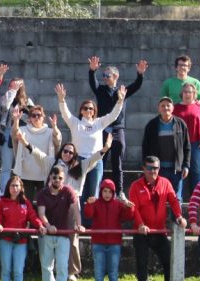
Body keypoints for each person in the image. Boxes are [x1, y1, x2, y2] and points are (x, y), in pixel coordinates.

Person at [51, 136, 111, 281]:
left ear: (74, 155)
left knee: (73, 239)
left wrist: (105, 148)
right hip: (55, 203)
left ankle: (72, 271)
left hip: (73, 204)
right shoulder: (54, 165)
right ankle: (56, 270)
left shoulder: (81, 166)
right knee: (55, 238)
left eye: (71, 152)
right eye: (65, 151)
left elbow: (94, 159)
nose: (67, 154)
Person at [128, 155, 187, 281]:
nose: (152, 171)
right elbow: (134, 209)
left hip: (159, 231)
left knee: (169, 261)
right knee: (142, 263)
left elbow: (173, 200)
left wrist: (179, 216)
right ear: (143, 168)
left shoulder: (165, 183)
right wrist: (141, 225)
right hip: (141, 232)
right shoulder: (135, 186)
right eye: (149, 168)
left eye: (155, 168)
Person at [56, 82, 126, 205]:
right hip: (78, 162)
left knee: (94, 195)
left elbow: (113, 116)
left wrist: (120, 101)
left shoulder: (99, 122)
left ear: (94, 111)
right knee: (78, 193)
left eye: (91, 108)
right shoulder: (75, 123)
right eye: (85, 108)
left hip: (95, 161)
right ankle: (79, 222)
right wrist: (61, 99)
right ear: (81, 111)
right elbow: (65, 113)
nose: (88, 110)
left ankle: (91, 223)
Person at [88, 55, 147, 192]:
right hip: (103, 129)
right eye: (103, 75)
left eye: (107, 75)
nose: (105, 77)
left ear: (116, 76)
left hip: (117, 129)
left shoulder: (122, 91)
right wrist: (92, 71)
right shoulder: (101, 90)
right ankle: (97, 190)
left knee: (117, 162)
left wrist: (140, 74)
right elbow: (93, 83)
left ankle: (119, 191)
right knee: (100, 160)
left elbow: (136, 86)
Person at [84, 179, 141, 281]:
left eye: (110, 192)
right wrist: (89, 204)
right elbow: (88, 215)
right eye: (104, 191)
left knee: (113, 272)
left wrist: (130, 208)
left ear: (113, 193)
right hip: (98, 243)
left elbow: (127, 217)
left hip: (114, 243)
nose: (107, 194)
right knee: (99, 271)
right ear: (101, 191)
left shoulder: (118, 204)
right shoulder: (96, 203)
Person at [35, 165, 83, 281]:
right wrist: (48, 225)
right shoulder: (43, 193)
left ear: (64, 179)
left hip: (63, 235)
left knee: (62, 267)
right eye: (55, 177)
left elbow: (75, 210)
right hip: (47, 234)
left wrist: (79, 225)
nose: (57, 180)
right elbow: (41, 213)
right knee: (46, 265)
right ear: (50, 177)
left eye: (60, 178)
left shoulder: (68, 191)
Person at [0, 174, 42, 281]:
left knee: (18, 270)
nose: (15, 188)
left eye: (17, 185)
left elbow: (33, 217)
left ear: (21, 188)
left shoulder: (26, 203)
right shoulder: (1, 202)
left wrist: (40, 225)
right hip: (5, 240)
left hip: (21, 241)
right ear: (8, 187)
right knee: (6, 269)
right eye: (12, 185)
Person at [141, 97, 191, 199]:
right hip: (158, 170)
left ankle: (177, 216)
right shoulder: (152, 125)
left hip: (176, 169)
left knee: (176, 198)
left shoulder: (181, 124)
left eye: (168, 105)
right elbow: (145, 147)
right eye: (162, 106)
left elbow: (187, 147)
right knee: (158, 197)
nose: (165, 108)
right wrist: (146, 166)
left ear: (173, 108)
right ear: (158, 108)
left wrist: (186, 165)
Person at [10, 104, 61, 200]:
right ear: (29, 118)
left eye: (39, 115)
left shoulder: (50, 131)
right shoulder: (23, 130)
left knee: (44, 203)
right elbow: (14, 134)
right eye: (33, 115)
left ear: (43, 117)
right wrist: (16, 121)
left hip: (44, 174)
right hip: (26, 173)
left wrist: (55, 127)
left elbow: (57, 140)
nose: (36, 117)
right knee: (26, 202)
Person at [173, 82, 200, 200]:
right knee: (180, 170)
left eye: (190, 92)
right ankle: (180, 198)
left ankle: (198, 198)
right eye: (185, 92)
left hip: (196, 144)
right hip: (180, 145)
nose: (187, 94)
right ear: (181, 93)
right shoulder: (176, 108)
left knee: (196, 170)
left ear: (194, 94)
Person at [0, 78, 33, 192]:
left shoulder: (28, 102)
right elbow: (5, 106)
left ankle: (21, 193)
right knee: (6, 167)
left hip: (22, 134)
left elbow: (32, 118)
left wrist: (20, 117)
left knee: (23, 167)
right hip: (8, 133)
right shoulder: (5, 98)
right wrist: (12, 92)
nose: (13, 88)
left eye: (16, 86)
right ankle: (4, 193)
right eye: (11, 86)